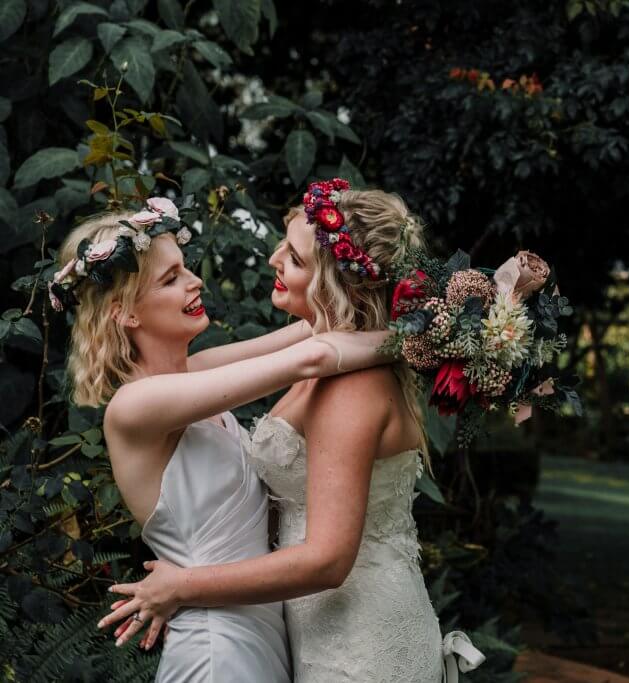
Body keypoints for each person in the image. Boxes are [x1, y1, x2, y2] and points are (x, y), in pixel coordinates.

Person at [102, 182, 484, 682]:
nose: (273, 260)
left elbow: (327, 557)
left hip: (358, 642)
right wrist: (422, 333)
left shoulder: (346, 388)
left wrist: (429, 333)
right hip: (305, 631)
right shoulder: (173, 391)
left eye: (295, 258)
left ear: (333, 284)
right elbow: (313, 342)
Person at [55, 203, 391, 682]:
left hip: (260, 630)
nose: (195, 283)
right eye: (170, 279)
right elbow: (311, 358)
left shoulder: (198, 372)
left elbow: (310, 329)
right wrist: (427, 342)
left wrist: (427, 305)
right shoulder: (133, 408)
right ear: (125, 313)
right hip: (215, 645)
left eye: (186, 268)